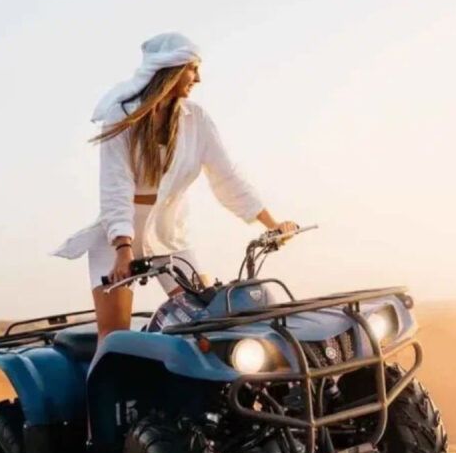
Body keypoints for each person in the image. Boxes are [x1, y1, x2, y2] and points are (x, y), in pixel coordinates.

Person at [51, 32, 299, 339]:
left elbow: (228, 177)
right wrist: (123, 249)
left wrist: (272, 224)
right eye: (192, 68)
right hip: (117, 238)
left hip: (170, 237)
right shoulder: (122, 116)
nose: (198, 77)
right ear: (171, 69)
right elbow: (115, 187)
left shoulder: (197, 119)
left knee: (209, 322)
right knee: (114, 337)